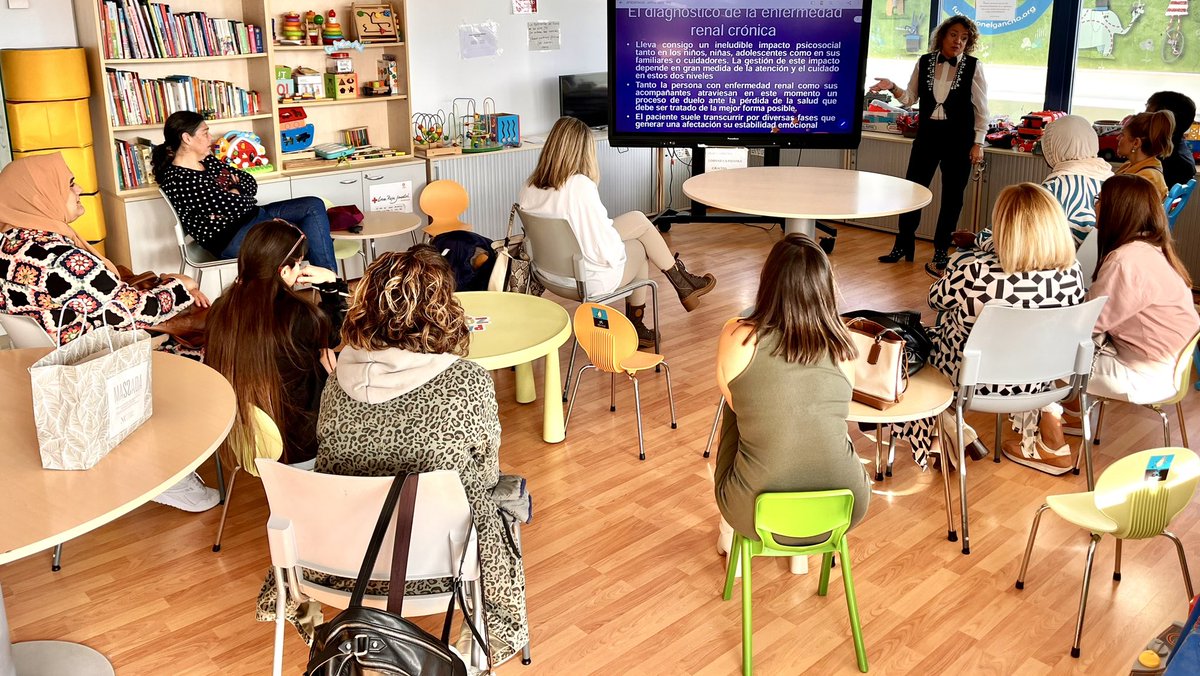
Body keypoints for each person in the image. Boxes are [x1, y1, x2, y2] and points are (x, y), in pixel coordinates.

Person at [256, 246, 529, 664]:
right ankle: (480, 645)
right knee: (505, 495)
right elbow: (486, 472)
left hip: (334, 563)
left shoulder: (338, 380)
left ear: (366, 305)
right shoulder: (466, 381)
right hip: (442, 568)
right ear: (444, 308)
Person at [0, 153, 220, 511]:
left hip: (64, 360)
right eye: (70, 184)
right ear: (40, 193)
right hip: (104, 360)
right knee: (212, 349)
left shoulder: (12, 243)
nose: (81, 189)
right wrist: (181, 286)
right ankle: (167, 471)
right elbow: (131, 309)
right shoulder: (59, 256)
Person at [889, 184, 1085, 475]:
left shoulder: (977, 272)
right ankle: (954, 434)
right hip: (1039, 377)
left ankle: (948, 434)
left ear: (1002, 228)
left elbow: (935, 299)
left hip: (970, 380)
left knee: (901, 353)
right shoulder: (1073, 274)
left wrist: (959, 261)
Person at [713, 234, 871, 553]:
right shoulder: (846, 345)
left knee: (739, 407)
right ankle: (804, 552)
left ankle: (729, 535)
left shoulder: (739, 335)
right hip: (846, 504)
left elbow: (737, 403)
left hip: (751, 510)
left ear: (767, 281)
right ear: (825, 288)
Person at [518, 116, 716, 347]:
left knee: (638, 221)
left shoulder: (529, 186)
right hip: (585, 280)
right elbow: (603, 250)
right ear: (582, 151)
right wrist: (620, 241)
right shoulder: (580, 187)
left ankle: (681, 285)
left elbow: (578, 236)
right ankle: (663, 299)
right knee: (641, 247)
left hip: (550, 275)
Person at [205, 219, 346, 469]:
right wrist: (332, 284)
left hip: (246, 439)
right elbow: (336, 334)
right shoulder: (300, 315)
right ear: (283, 271)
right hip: (300, 446)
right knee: (337, 367)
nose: (301, 269)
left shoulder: (221, 308)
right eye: (298, 264)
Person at [869, 16, 989, 276]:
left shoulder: (974, 67)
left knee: (952, 198)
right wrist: (893, 87)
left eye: (964, 38)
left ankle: (940, 250)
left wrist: (978, 143)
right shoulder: (925, 61)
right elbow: (910, 99)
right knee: (912, 191)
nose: (958, 41)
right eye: (953, 35)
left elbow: (982, 110)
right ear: (943, 36)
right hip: (928, 136)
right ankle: (903, 244)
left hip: (959, 140)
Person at [152, 111, 338, 271]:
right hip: (230, 238)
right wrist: (236, 193)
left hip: (252, 218)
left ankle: (330, 288)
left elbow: (249, 182)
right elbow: (235, 206)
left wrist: (235, 190)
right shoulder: (178, 179)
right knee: (308, 235)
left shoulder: (207, 161)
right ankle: (330, 295)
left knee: (313, 205)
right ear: (186, 138)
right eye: (205, 133)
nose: (211, 138)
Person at [1075, 175, 1199, 409]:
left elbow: (1088, 323)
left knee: (1045, 359)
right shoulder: (1152, 250)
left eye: (1100, 199)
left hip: (1144, 375)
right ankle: (1070, 418)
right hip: (1170, 368)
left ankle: (1052, 439)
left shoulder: (1125, 261)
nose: (1095, 204)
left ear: (1117, 210)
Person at [1039, 115, 1113, 245]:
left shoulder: (1052, 187)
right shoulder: (1113, 180)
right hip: (1103, 261)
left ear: (1055, 148)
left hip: (1062, 261)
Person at [1114, 110, 1175, 202]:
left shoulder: (1146, 178)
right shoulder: (1129, 165)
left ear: (1136, 143)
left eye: (1122, 134)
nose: (1117, 138)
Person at [1146, 90, 1197, 189]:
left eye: (1148, 113)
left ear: (1164, 120)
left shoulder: (1170, 162)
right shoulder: (1179, 149)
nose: (1143, 118)